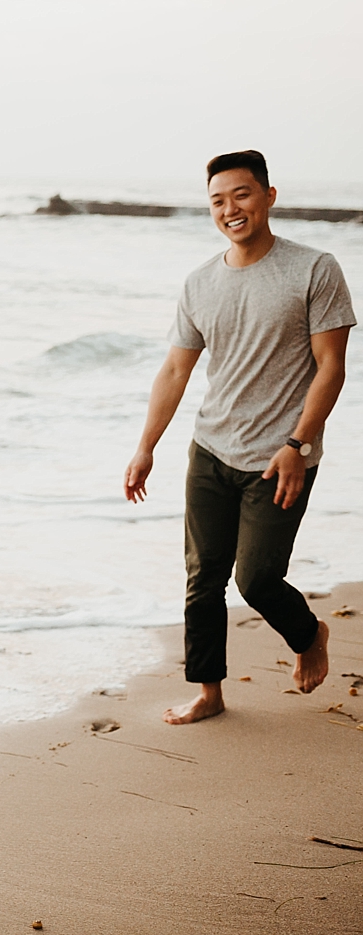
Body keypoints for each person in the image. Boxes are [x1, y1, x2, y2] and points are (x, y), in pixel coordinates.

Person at [124, 150, 353, 725]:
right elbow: (176, 371)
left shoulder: (314, 268)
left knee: (256, 579)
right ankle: (209, 693)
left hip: (282, 458)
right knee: (202, 579)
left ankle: (309, 634)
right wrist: (146, 445)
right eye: (218, 200)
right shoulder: (200, 282)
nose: (231, 209)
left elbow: (332, 366)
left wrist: (299, 445)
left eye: (242, 195)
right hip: (211, 451)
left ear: (269, 196)